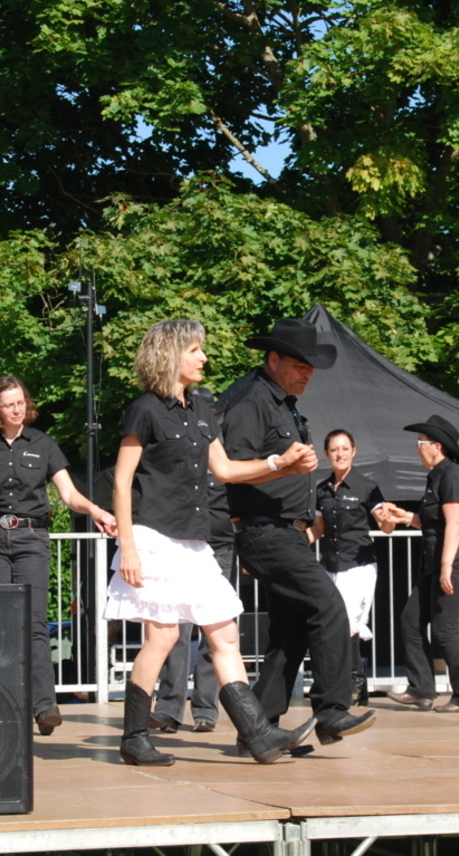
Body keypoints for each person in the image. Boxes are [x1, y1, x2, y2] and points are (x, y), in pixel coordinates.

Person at [104, 320, 318, 766]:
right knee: (162, 637)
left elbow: (226, 470)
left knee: (225, 632)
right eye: (195, 350)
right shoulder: (144, 410)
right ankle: (134, 737)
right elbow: (122, 482)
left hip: (193, 540)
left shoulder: (201, 407)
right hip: (153, 536)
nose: (204, 357)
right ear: (170, 355)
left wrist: (280, 463)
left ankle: (257, 733)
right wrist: (129, 548)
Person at [217, 318, 376, 745]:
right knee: (328, 606)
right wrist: (283, 466)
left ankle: (258, 729)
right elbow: (231, 469)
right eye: (300, 365)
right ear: (273, 359)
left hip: (285, 532)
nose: (308, 374)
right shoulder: (252, 401)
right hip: (265, 530)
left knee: (291, 631)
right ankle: (332, 710)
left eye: (311, 367)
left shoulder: (281, 402)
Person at [0, 376, 117, 737]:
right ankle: (1, 705)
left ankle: (44, 706)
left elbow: (69, 494)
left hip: (31, 538)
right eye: (9, 404)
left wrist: (96, 510)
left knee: (34, 623)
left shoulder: (44, 444)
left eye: (21, 402)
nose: (17, 409)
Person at [148, 387, 237, 734]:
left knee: (216, 630)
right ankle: (169, 708)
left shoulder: (224, 451)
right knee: (176, 628)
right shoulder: (180, 450)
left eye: (209, 412)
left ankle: (205, 710)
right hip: (183, 545)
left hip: (220, 544)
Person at [384, 414, 459, 713]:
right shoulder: (436, 476)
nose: (416, 448)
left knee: (445, 629)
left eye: (420, 443)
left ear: (437, 446)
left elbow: (455, 523)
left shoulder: (453, 476)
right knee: (411, 621)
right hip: (435, 562)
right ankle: (421, 690)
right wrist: (404, 517)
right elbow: (433, 523)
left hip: (454, 560)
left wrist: (447, 567)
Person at [307, 429, 394, 706]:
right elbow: (318, 529)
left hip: (358, 565)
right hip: (330, 565)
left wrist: (389, 520)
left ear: (354, 452)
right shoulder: (321, 489)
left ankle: (353, 682)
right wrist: (295, 542)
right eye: (334, 449)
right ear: (326, 454)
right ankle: (351, 683)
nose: (340, 454)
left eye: (345, 449)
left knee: (348, 623)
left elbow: (385, 526)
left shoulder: (367, 486)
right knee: (331, 623)